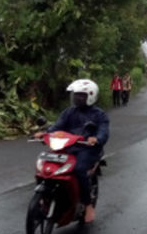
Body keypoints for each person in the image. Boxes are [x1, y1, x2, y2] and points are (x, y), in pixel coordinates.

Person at [34, 79, 110, 223]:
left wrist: (96, 139)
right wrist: (45, 133)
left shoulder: (99, 115)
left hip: (87, 149)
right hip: (68, 147)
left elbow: (104, 132)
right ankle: (46, 198)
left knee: (79, 169)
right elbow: (58, 126)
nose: (77, 98)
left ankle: (88, 206)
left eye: (81, 95)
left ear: (90, 96)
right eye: (75, 95)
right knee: (45, 166)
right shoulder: (69, 112)